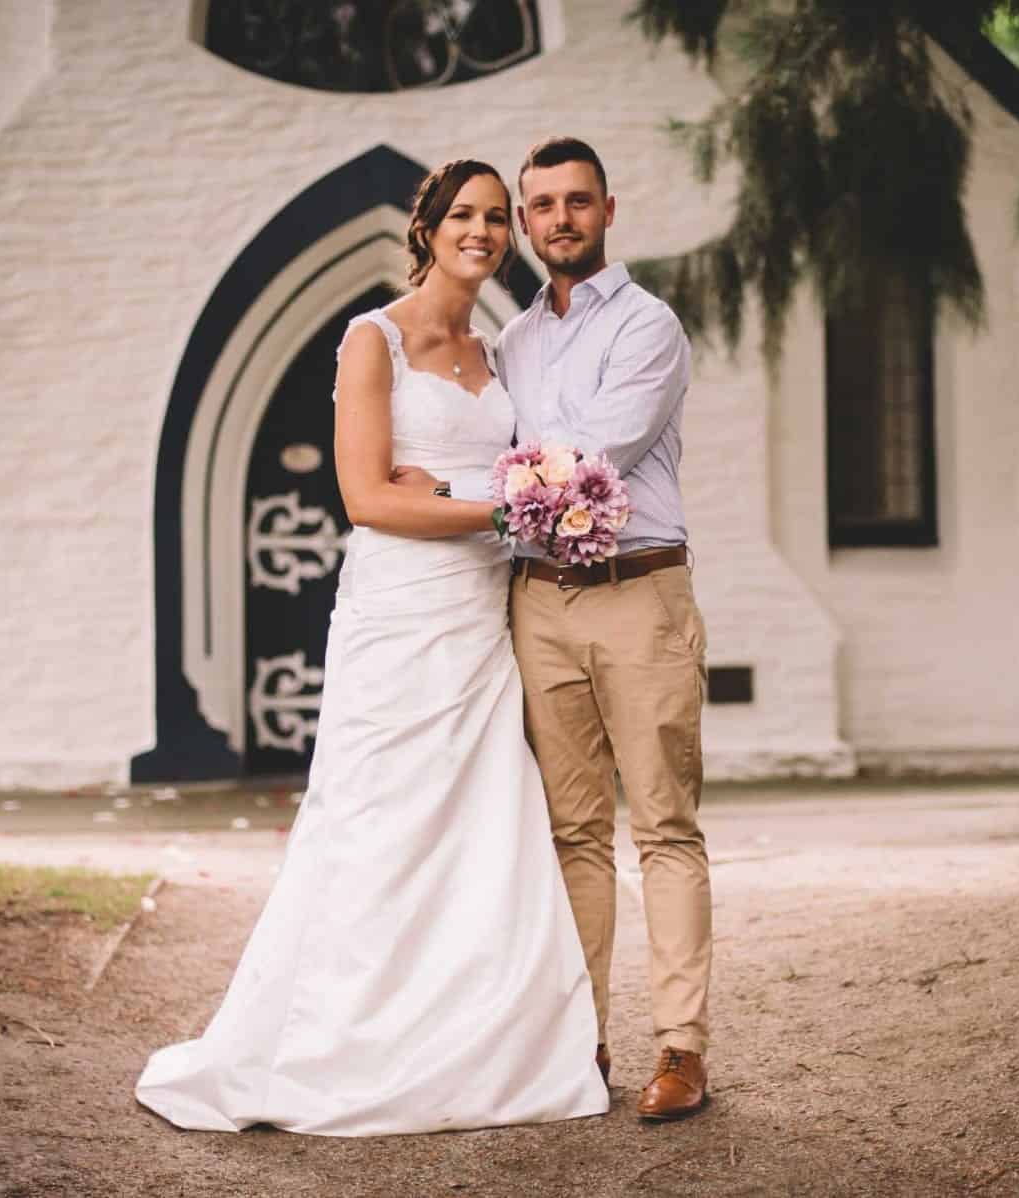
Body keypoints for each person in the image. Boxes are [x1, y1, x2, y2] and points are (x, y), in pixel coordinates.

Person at [134, 159, 609, 1136]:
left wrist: (509, 499)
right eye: (462, 216)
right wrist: (504, 509)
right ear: (428, 228)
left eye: (492, 218)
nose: (480, 232)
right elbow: (365, 499)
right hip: (399, 615)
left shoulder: (498, 354)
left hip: (482, 613)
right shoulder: (371, 339)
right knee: (380, 813)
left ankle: (479, 1039)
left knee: (480, 816)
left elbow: (509, 458)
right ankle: (342, 1038)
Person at [400, 136, 714, 1122]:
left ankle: (682, 1048)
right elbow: (509, 448)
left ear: (608, 212)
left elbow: (588, 459)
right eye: (539, 207)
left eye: (577, 202)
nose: (557, 220)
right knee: (573, 832)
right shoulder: (516, 341)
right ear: (525, 224)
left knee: (663, 826)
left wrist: (443, 487)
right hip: (539, 600)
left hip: (639, 589)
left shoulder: (649, 326)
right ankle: (584, 1046)